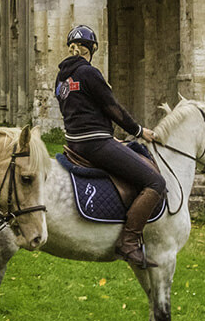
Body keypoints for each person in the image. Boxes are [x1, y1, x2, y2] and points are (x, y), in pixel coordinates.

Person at [54, 25, 166, 268]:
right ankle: (129, 242)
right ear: (91, 49)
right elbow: (112, 107)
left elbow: (77, 111)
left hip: (74, 142)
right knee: (155, 182)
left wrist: (108, 134)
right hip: (95, 144)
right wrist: (138, 131)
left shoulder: (61, 78)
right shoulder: (89, 72)